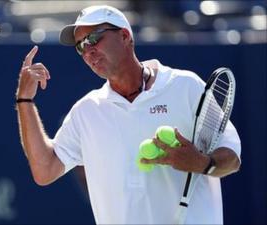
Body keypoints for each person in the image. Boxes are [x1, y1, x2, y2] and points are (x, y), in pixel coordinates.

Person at [15, 5, 241, 224]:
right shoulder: (86, 111)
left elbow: (232, 158)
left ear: (125, 36)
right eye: (80, 47)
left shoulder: (186, 86)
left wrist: (202, 163)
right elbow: (44, 170)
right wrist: (24, 99)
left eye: (94, 38)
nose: (88, 51)